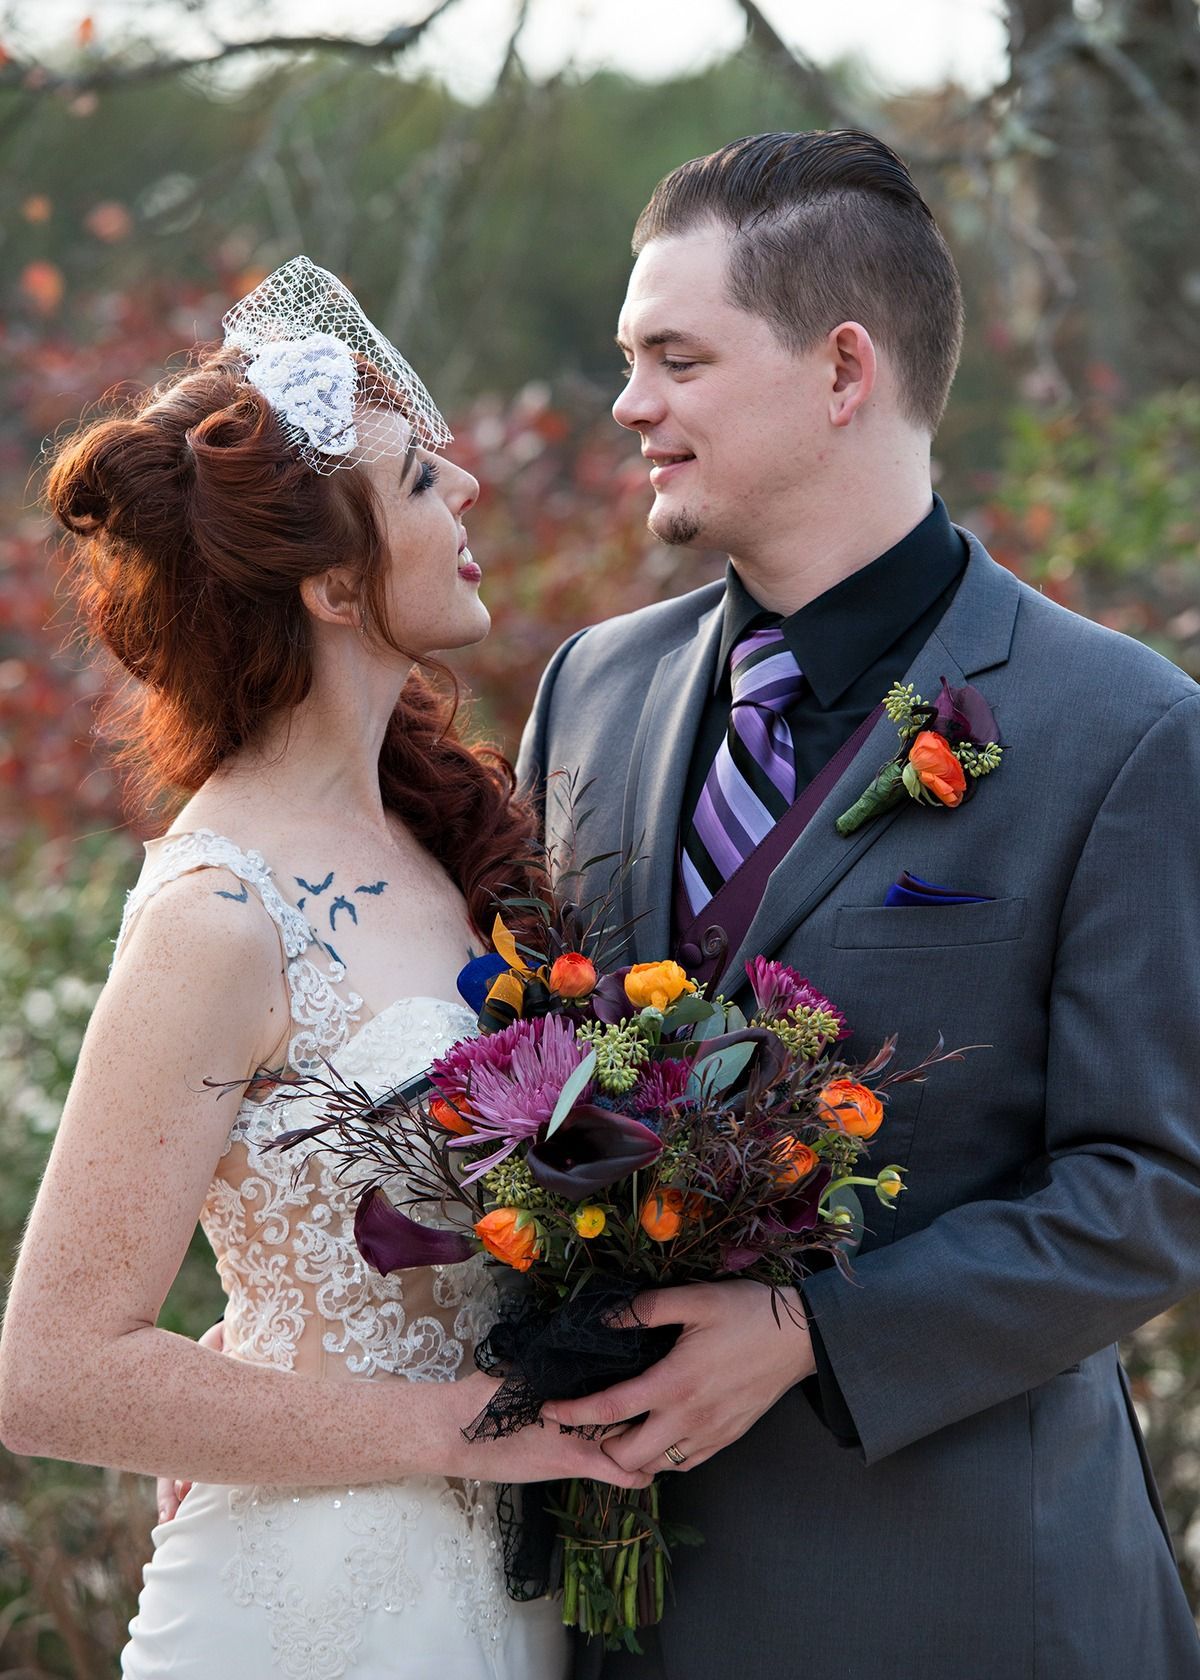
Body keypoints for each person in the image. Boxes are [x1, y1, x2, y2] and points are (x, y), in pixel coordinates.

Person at [517, 132, 1200, 1678]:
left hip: (956, 1601)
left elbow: (1156, 1182)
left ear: (842, 370)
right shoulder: (590, 691)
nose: (630, 406)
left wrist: (815, 1332)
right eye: (632, 360)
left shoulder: (1126, 731)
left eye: (675, 359)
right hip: (610, 1612)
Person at [0, 257, 649, 1680]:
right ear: (337, 585)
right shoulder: (218, 912)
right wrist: (455, 1425)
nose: (469, 489)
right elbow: (49, 1372)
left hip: (509, 1589)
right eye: (421, 482)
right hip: (312, 1604)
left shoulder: (446, 835)